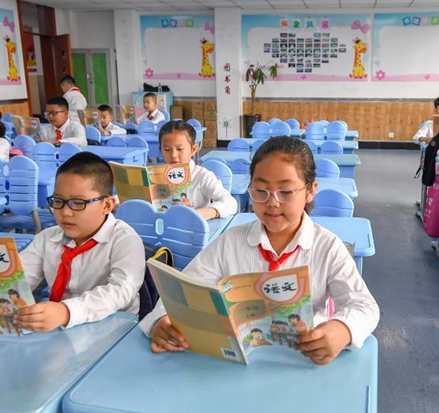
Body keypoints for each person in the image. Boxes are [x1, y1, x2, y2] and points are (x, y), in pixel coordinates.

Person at [141, 136, 380, 365]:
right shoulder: (230, 243)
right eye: (260, 190)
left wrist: (343, 329)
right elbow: (183, 290)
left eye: (285, 192)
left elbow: (364, 307)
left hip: (303, 359)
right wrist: (161, 320)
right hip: (240, 362)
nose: (272, 202)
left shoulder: (327, 247)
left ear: (310, 191)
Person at [17, 152, 145, 331]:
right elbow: (19, 278)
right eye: (58, 201)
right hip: (61, 329)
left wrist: (67, 312)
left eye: (78, 203)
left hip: (115, 330)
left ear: (107, 205)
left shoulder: (125, 240)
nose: (65, 212)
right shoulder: (47, 238)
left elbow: (120, 292)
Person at [159, 120, 237, 220]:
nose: (173, 155)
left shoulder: (202, 176)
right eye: (167, 150)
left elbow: (230, 203)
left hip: (195, 227)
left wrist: (206, 212)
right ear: (160, 150)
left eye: (180, 149)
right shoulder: (154, 177)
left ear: (193, 149)